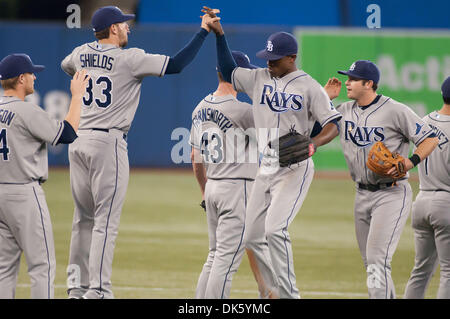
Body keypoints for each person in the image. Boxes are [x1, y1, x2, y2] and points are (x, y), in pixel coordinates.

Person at [61, 6, 219, 299]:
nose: (127, 28)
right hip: (107, 142)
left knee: (82, 219)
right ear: (112, 29)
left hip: (78, 141)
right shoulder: (130, 59)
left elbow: (65, 65)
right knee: (105, 221)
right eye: (123, 24)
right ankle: (97, 291)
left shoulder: (81, 52)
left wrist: (90, 68)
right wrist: (203, 31)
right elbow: (176, 64)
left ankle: (75, 289)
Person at [203, 7, 342, 299]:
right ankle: (272, 290)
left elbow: (333, 124)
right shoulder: (258, 78)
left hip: (295, 167)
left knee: (275, 230)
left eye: (275, 60)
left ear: (292, 58)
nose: (269, 64)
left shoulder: (310, 87)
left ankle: (290, 295)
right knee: (253, 236)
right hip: (267, 164)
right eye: (267, 58)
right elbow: (229, 70)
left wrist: (313, 143)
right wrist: (220, 35)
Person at [324, 60, 438, 298]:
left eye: (354, 79)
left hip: (391, 194)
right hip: (361, 193)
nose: (348, 82)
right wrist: (326, 99)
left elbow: (430, 139)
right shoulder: (343, 110)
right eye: (348, 78)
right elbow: (315, 129)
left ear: (369, 84)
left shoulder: (395, 110)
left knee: (377, 259)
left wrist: (410, 162)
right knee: (371, 263)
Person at [0, 53, 89, 298]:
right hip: (23, 193)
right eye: (30, 73)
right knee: (42, 265)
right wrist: (78, 95)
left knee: (4, 269)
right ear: (20, 79)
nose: (34, 76)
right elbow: (67, 134)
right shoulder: (26, 111)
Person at [191, 50, 259, 299]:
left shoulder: (199, 107)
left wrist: (204, 192)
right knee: (226, 263)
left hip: (213, 187)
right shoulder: (244, 110)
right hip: (236, 189)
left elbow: (195, 158)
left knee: (213, 256)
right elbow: (278, 129)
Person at [403, 76, 450, 299]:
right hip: (446, 204)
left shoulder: (424, 121)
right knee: (448, 273)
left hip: (421, 200)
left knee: (421, 271)